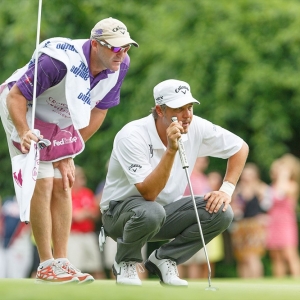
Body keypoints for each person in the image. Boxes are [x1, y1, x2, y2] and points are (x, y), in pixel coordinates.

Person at [0, 17, 138, 284]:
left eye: (126, 47)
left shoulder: (120, 66)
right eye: (115, 48)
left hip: (58, 122)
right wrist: (24, 131)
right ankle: (46, 264)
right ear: (96, 44)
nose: (121, 54)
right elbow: (15, 97)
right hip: (21, 111)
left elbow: (99, 111)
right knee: (43, 180)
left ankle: (62, 262)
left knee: (64, 182)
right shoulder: (57, 61)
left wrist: (68, 152)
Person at [100, 79, 249, 286]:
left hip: (164, 213)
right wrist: (171, 149)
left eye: (189, 107)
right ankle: (126, 262)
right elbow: (149, 194)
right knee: (151, 210)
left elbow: (240, 147)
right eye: (178, 108)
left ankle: (164, 259)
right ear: (160, 111)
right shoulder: (132, 135)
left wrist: (226, 190)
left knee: (222, 211)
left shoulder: (195, 126)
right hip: (119, 217)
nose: (187, 115)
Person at [178, 158, 225, 279]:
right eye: (199, 160)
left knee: (196, 259)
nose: (202, 163)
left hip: (200, 222)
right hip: (184, 218)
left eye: (204, 161)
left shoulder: (204, 179)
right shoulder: (186, 175)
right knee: (179, 257)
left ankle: (193, 291)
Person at [230, 163, 271, 278]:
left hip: (255, 225)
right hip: (240, 225)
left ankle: (257, 281)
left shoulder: (261, 188)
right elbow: (233, 208)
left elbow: (268, 206)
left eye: (250, 174)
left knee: (253, 256)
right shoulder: (237, 190)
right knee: (242, 257)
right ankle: (244, 283)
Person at [266, 154, 300, 277]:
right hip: (273, 221)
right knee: (275, 254)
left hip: (286, 222)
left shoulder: (292, 185)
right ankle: (279, 282)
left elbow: (281, 192)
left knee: (289, 253)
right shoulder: (273, 185)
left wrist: (283, 176)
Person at [68, 165, 104, 279]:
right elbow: (76, 216)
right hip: (74, 236)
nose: (83, 181)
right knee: (74, 268)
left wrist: (85, 213)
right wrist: (86, 213)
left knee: (97, 267)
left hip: (89, 235)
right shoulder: (67, 195)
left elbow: (96, 215)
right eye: (80, 178)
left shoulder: (87, 193)